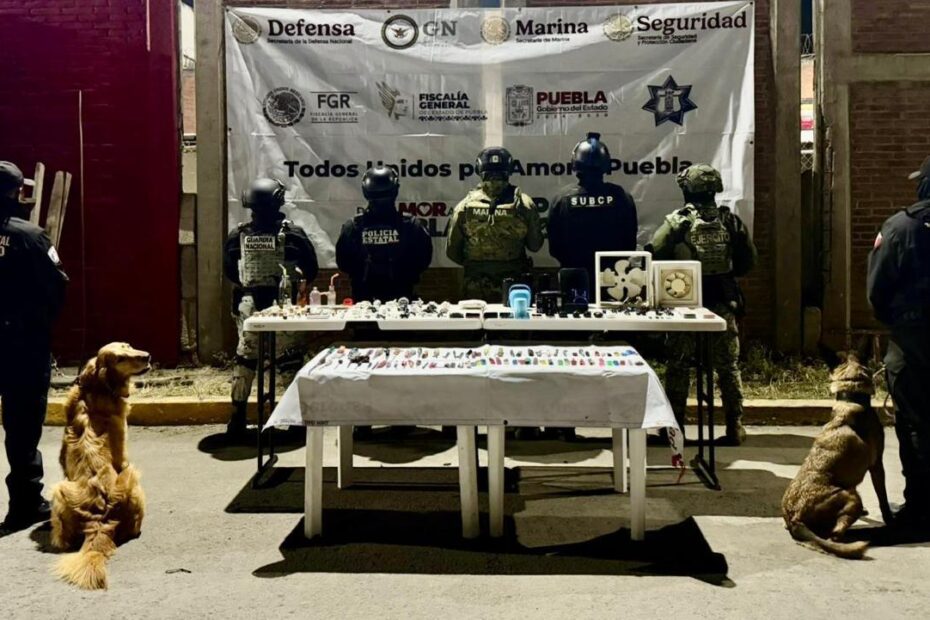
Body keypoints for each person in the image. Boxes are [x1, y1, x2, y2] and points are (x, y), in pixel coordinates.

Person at [651, 164, 757, 445]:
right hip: (723, 301)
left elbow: (654, 251)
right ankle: (734, 427)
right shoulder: (730, 221)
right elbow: (748, 262)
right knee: (728, 367)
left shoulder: (677, 222)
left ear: (687, 189)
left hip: (685, 302)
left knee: (678, 366)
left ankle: (674, 429)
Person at [0, 161, 68, 534]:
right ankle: (24, 503)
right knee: (23, 426)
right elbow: (57, 285)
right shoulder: (30, 236)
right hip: (22, 345)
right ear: (15, 193)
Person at [223, 178, 318, 439]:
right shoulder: (294, 234)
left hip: (250, 306)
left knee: (245, 361)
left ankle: (237, 420)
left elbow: (230, 271)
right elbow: (311, 269)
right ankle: (296, 422)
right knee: (290, 360)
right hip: (283, 305)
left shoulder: (238, 236)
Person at [867, 155, 930, 530]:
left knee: (916, 424)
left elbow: (877, 290)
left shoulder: (900, 227)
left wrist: (897, 323)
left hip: (914, 340)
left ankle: (921, 510)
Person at [446, 147, 543, 302]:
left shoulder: (464, 206)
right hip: (514, 286)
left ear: (479, 169)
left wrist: (479, 265)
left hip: (476, 285)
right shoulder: (525, 204)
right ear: (509, 169)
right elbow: (535, 245)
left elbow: (452, 251)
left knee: (476, 318)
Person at [548, 132, 638, 290]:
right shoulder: (622, 197)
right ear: (607, 165)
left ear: (575, 164)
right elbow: (630, 242)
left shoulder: (562, 199)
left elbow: (555, 247)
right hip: (613, 279)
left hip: (574, 279)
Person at [336, 166, 432, 302]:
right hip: (402, 299)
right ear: (395, 190)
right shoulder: (411, 225)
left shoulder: (353, 227)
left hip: (363, 301)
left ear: (365, 191)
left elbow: (343, 263)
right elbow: (423, 261)